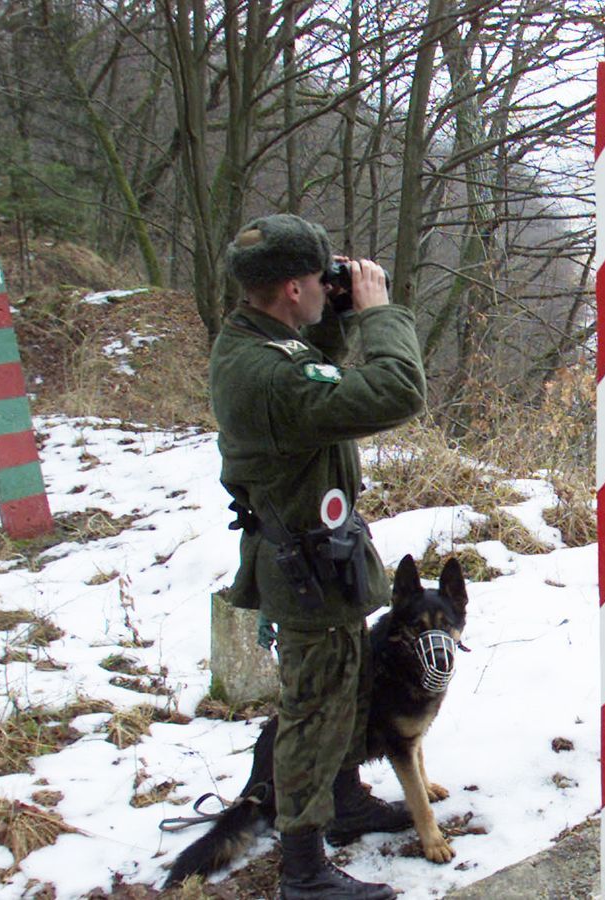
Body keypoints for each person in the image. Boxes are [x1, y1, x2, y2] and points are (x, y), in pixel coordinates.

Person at [209, 214, 426, 900]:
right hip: (306, 571)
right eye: (319, 283)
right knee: (312, 709)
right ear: (295, 287)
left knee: (343, 688)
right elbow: (396, 391)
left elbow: (317, 376)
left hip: (319, 556)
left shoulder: (260, 342)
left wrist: (327, 318)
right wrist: (378, 313)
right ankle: (303, 870)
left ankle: (346, 802)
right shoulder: (265, 374)